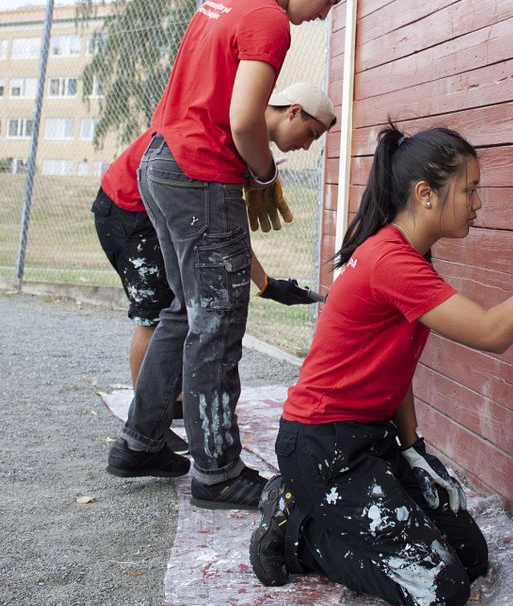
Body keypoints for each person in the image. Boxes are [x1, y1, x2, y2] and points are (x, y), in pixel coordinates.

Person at [249, 122, 513, 606]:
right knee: (441, 589)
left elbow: (396, 365)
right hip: (323, 445)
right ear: (425, 194)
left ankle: (319, 506)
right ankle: (296, 532)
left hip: (370, 438)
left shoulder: (408, 255)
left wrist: (413, 451)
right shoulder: (392, 262)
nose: (478, 203)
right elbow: (493, 332)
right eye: (470, 189)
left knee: (472, 559)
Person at [106, 0, 360, 511]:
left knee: (183, 310)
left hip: (161, 161)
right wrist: (264, 177)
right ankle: (218, 473)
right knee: (217, 324)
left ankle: (141, 439)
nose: (324, 14)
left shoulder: (225, 0)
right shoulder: (270, 21)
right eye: (329, 0)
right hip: (199, 172)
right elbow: (245, 119)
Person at [92, 83, 337, 392]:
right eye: (312, 134)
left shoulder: (248, 134)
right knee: (157, 315)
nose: (307, 147)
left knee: (180, 307)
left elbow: (227, 227)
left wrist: (264, 283)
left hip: (157, 209)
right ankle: (146, 414)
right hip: (128, 207)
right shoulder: (239, 128)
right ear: (294, 112)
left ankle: (170, 402)